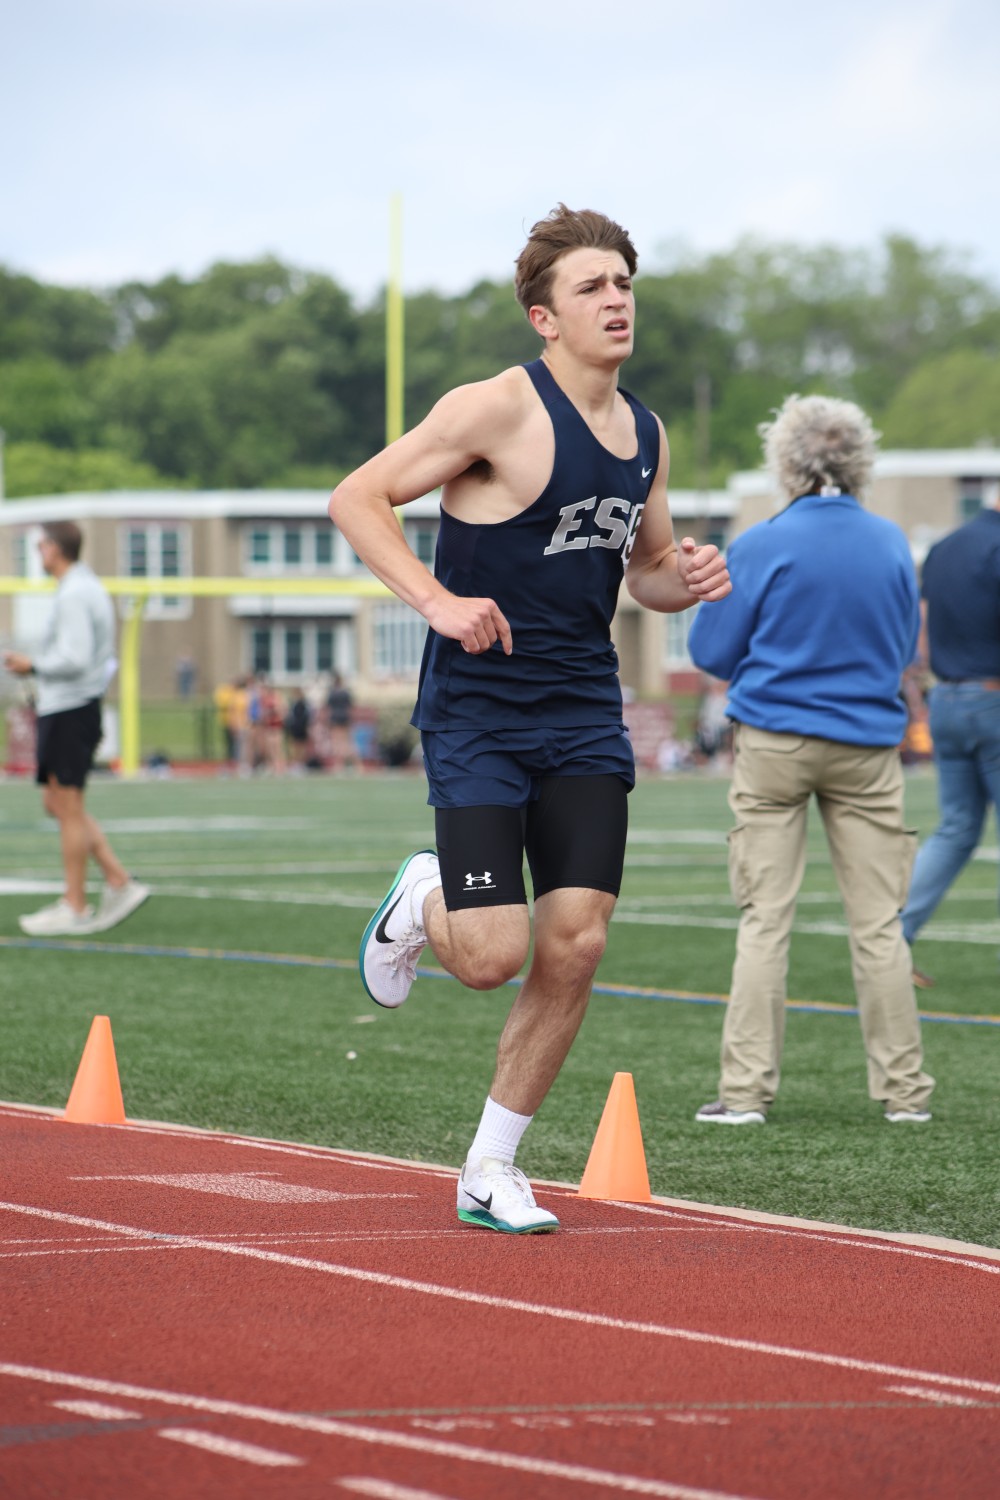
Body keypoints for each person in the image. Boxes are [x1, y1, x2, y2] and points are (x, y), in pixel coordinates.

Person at [328, 204, 731, 1233]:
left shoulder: (646, 433)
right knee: (490, 956)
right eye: (591, 287)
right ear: (544, 317)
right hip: (480, 711)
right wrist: (435, 601)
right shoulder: (495, 408)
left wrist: (686, 577)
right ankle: (423, 898)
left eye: (623, 284)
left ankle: (490, 1167)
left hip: (586, 709)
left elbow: (646, 571)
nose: (616, 301)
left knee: (577, 942)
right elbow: (358, 498)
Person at [687, 394, 934, 1126]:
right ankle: (905, 1093)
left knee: (765, 920)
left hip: (775, 740)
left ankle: (745, 1093)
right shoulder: (890, 542)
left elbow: (711, 652)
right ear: (860, 458)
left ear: (785, 460)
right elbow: (902, 649)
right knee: (880, 924)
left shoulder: (762, 541)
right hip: (867, 744)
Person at [3, 522, 150, 936]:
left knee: (67, 807)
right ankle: (117, 881)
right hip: (68, 707)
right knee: (57, 802)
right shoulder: (80, 588)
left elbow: (76, 657)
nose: (38, 553)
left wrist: (32, 665)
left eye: (41, 546)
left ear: (55, 547)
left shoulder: (75, 592)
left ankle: (76, 905)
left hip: (70, 709)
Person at [900, 493, 1000, 988]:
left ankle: (890, 942)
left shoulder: (944, 547)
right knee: (957, 829)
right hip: (993, 699)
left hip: (946, 700)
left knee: (956, 829)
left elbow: (920, 630)